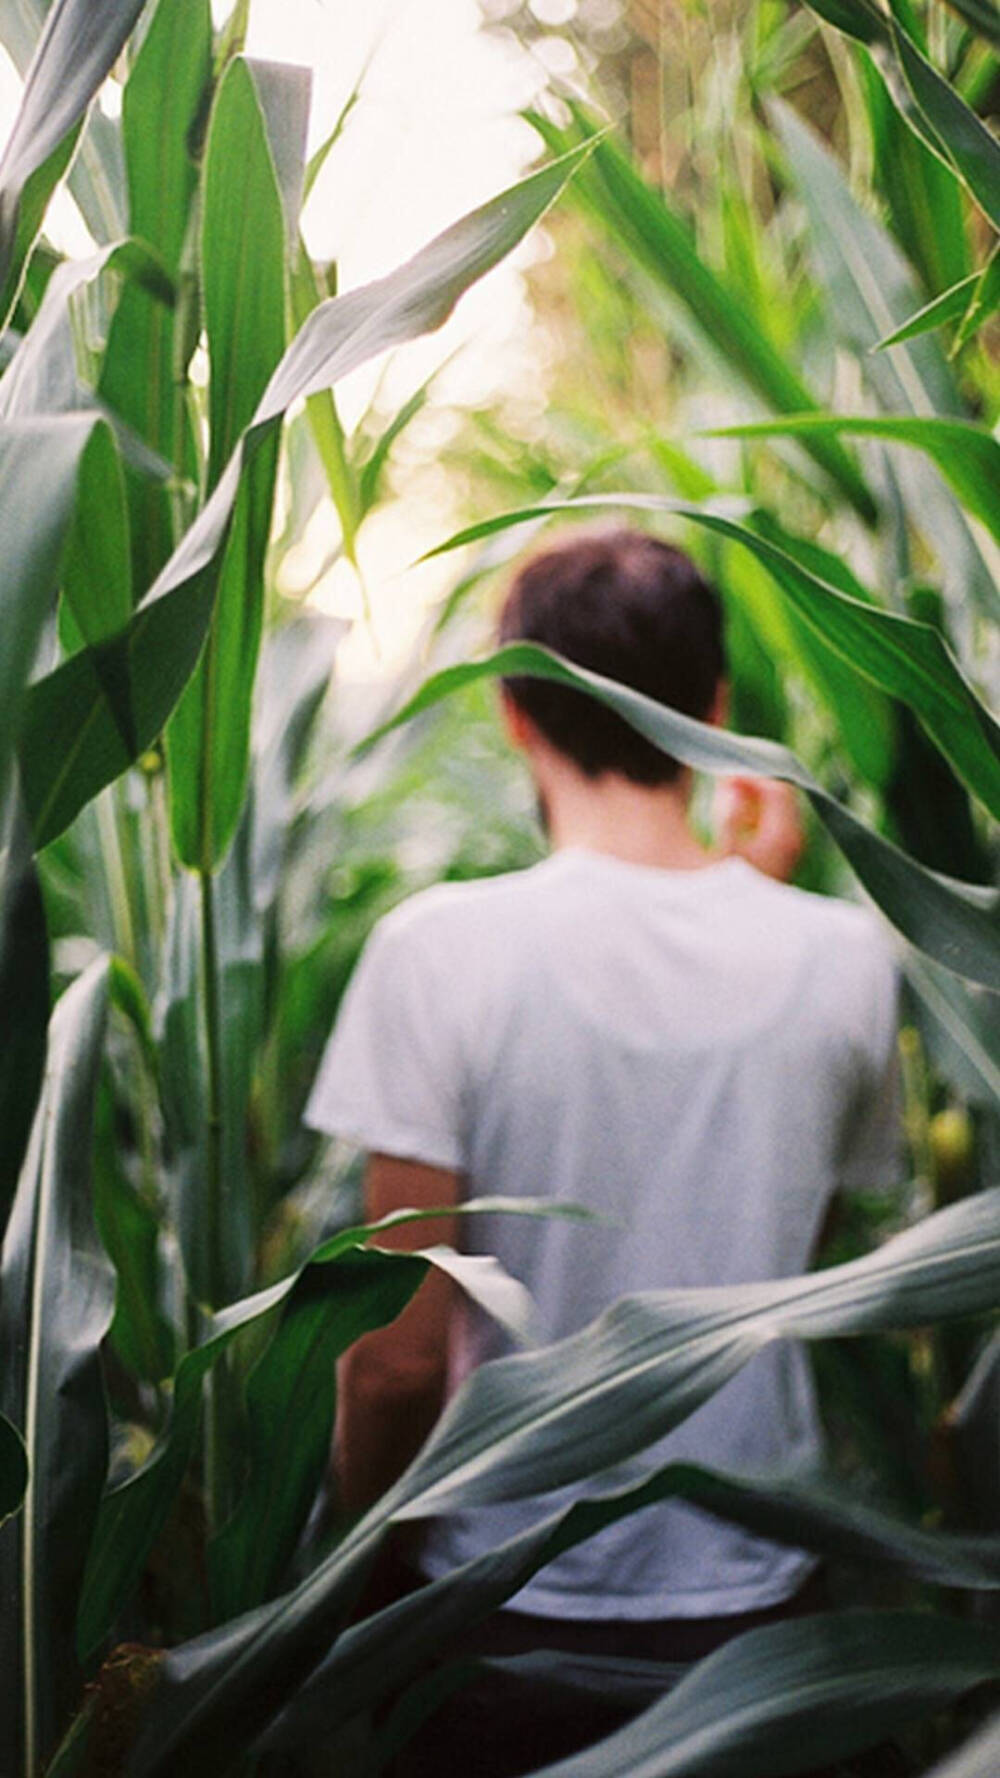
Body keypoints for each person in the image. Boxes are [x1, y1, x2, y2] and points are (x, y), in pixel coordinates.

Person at [304, 528, 902, 1775]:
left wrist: (354, 1579)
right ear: (713, 712)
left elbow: (401, 1362)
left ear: (516, 711)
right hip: (765, 1617)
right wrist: (761, 899)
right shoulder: (844, 956)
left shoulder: (436, 953)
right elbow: (803, 1251)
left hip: (500, 1610)